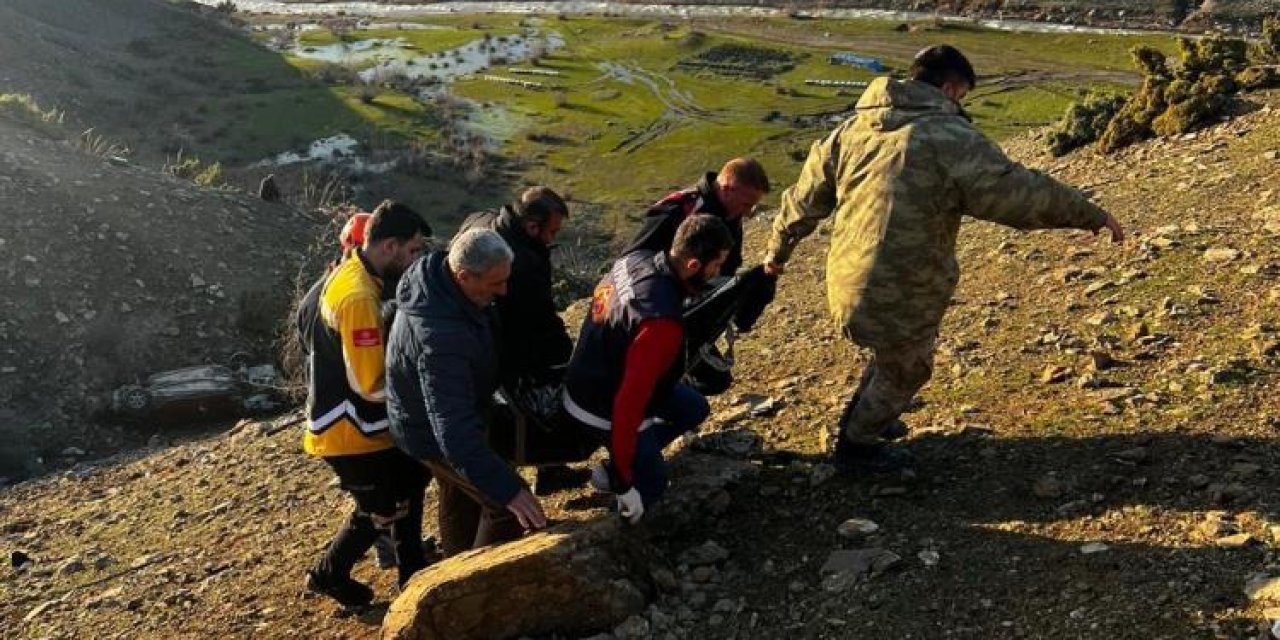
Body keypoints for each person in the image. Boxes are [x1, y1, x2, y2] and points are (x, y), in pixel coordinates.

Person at [763, 45, 1126, 475]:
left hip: (846, 279)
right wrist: (1090, 214)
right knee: (908, 369)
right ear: (950, 88)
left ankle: (869, 415)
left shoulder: (852, 130)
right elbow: (1016, 193)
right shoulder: (947, 137)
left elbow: (801, 202)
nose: (960, 106)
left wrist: (776, 254)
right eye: (962, 97)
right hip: (901, 283)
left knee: (891, 353)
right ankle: (856, 444)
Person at [300, 200, 433, 607]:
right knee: (381, 509)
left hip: (365, 424)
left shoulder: (360, 275)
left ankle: (415, 577)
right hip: (350, 430)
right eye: (413, 251)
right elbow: (369, 383)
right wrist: (427, 389)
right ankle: (328, 574)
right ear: (390, 246)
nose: (416, 261)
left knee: (411, 486)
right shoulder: (357, 295)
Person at [562, 215, 734, 524]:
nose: (716, 272)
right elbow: (628, 405)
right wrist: (624, 480)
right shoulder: (660, 323)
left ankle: (633, 458)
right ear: (694, 265)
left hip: (588, 373)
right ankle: (622, 527)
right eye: (715, 265)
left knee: (692, 407)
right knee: (653, 483)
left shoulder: (637, 259)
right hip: (599, 403)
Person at [386, 228, 548, 557]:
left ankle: (455, 564)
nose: (502, 292)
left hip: (440, 416)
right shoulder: (440, 336)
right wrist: (510, 491)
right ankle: (474, 587)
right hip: (427, 428)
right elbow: (452, 428)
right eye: (494, 284)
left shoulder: (443, 284)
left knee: (460, 499)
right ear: (463, 276)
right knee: (504, 505)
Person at [458, 187, 585, 494]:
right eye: (551, 231)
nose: (552, 239)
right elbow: (538, 317)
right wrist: (567, 355)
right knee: (533, 408)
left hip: (478, 336)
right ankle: (528, 481)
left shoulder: (483, 221)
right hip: (506, 347)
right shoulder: (522, 261)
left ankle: (545, 473)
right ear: (531, 225)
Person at [626, 157, 770, 278]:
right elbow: (632, 260)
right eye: (746, 204)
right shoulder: (678, 209)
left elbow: (730, 266)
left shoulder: (731, 213)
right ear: (726, 189)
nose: (749, 213)